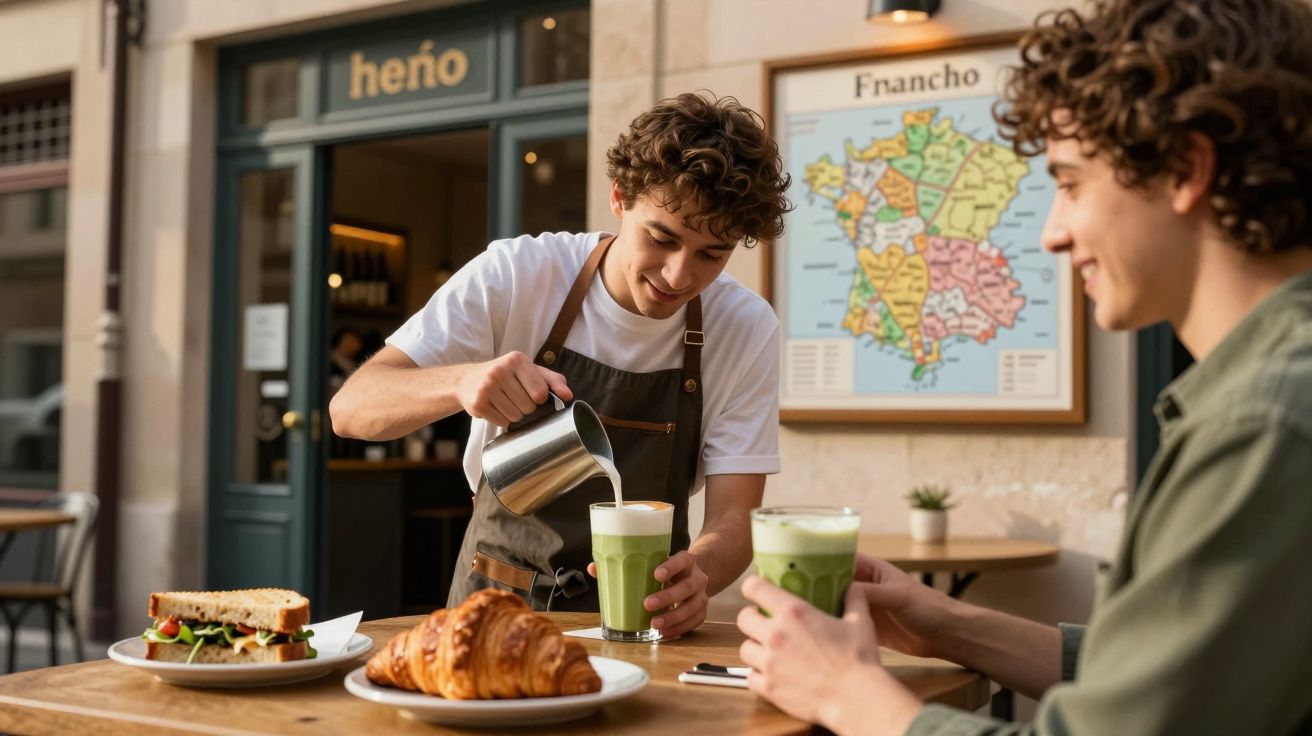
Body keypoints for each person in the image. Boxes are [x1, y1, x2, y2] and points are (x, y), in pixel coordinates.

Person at [736, 0, 1312, 733]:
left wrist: (845, 695)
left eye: (1070, 184)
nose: (1051, 233)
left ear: (1185, 169)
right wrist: (945, 625)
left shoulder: (1263, 423)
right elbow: (1165, 679)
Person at [331, 92, 791, 638]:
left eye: (711, 254)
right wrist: (461, 381)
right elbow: (352, 410)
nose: (677, 275)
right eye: (661, 238)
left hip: (644, 617)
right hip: (493, 606)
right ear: (620, 198)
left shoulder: (745, 326)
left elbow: (734, 517)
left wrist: (702, 575)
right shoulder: (519, 273)